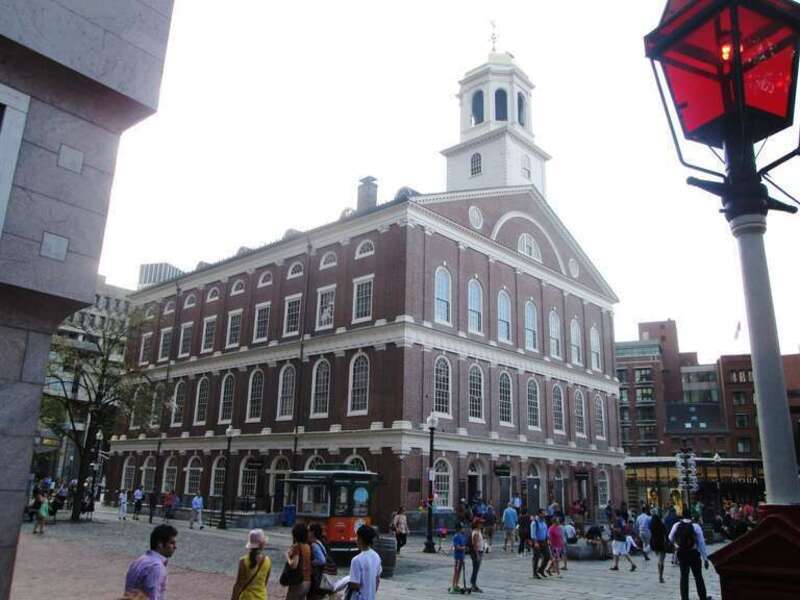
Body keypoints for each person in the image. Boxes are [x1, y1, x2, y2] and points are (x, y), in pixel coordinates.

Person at [124, 524, 178, 600]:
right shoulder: (157, 567)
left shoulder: (139, 560)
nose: (175, 547)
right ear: (160, 544)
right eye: (172, 543)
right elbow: (153, 596)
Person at [669, 509, 712, 600]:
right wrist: (705, 559)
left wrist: (676, 545)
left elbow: (670, 537)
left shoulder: (676, 525)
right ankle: (702, 597)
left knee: (684, 577)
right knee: (698, 576)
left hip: (682, 553)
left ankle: (684, 598)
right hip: (693, 553)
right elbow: (701, 543)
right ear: (690, 516)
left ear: (682, 516)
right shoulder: (695, 526)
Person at [232, 529, 271, 600]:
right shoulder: (267, 561)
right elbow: (264, 583)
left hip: (246, 597)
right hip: (261, 597)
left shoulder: (243, 561)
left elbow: (238, 584)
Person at [348, 525, 382, 600]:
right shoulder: (376, 556)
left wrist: (346, 581)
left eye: (357, 537)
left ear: (360, 539)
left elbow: (355, 584)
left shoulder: (356, 560)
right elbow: (377, 579)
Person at [285, 522, 312, 599]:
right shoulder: (307, 546)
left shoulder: (297, 546)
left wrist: (287, 556)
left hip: (298, 582)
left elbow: (294, 565)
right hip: (308, 581)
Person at [308, 522, 333, 599]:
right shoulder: (319, 542)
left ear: (312, 532)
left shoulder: (314, 545)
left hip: (317, 576)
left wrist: (311, 563)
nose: (307, 532)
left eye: (308, 530)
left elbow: (321, 560)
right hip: (320, 575)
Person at [649, 508, 670, 584]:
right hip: (661, 542)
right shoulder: (661, 523)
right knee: (661, 560)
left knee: (659, 559)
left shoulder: (651, 523)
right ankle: (660, 576)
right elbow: (666, 533)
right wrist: (668, 541)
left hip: (654, 543)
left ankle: (660, 575)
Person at [530, 509, 550, 579]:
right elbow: (533, 534)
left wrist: (548, 539)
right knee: (536, 558)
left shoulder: (544, 522)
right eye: (543, 513)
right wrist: (535, 542)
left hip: (544, 541)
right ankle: (535, 573)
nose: (544, 515)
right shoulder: (534, 522)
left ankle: (541, 569)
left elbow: (546, 531)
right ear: (539, 514)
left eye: (544, 513)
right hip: (537, 542)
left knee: (547, 556)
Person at [450, 522, 467, 593]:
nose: (464, 529)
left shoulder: (462, 536)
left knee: (459, 571)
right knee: (456, 571)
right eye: (462, 527)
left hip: (462, 556)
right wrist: (464, 548)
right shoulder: (456, 536)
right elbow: (456, 547)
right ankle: (453, 587)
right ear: (459, 528)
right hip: (458, 556)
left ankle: (456, 584)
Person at [467, 518, 484, 593]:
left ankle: (473, 583)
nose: (482, 524)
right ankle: (473, 585)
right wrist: (477, 555)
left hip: (480, 551)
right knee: (475, 569)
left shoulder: (478, 531)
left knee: (476, 569)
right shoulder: (475, 533)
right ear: (477, 524)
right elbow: (474, 545)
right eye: (480, 523)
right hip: (476, 553)